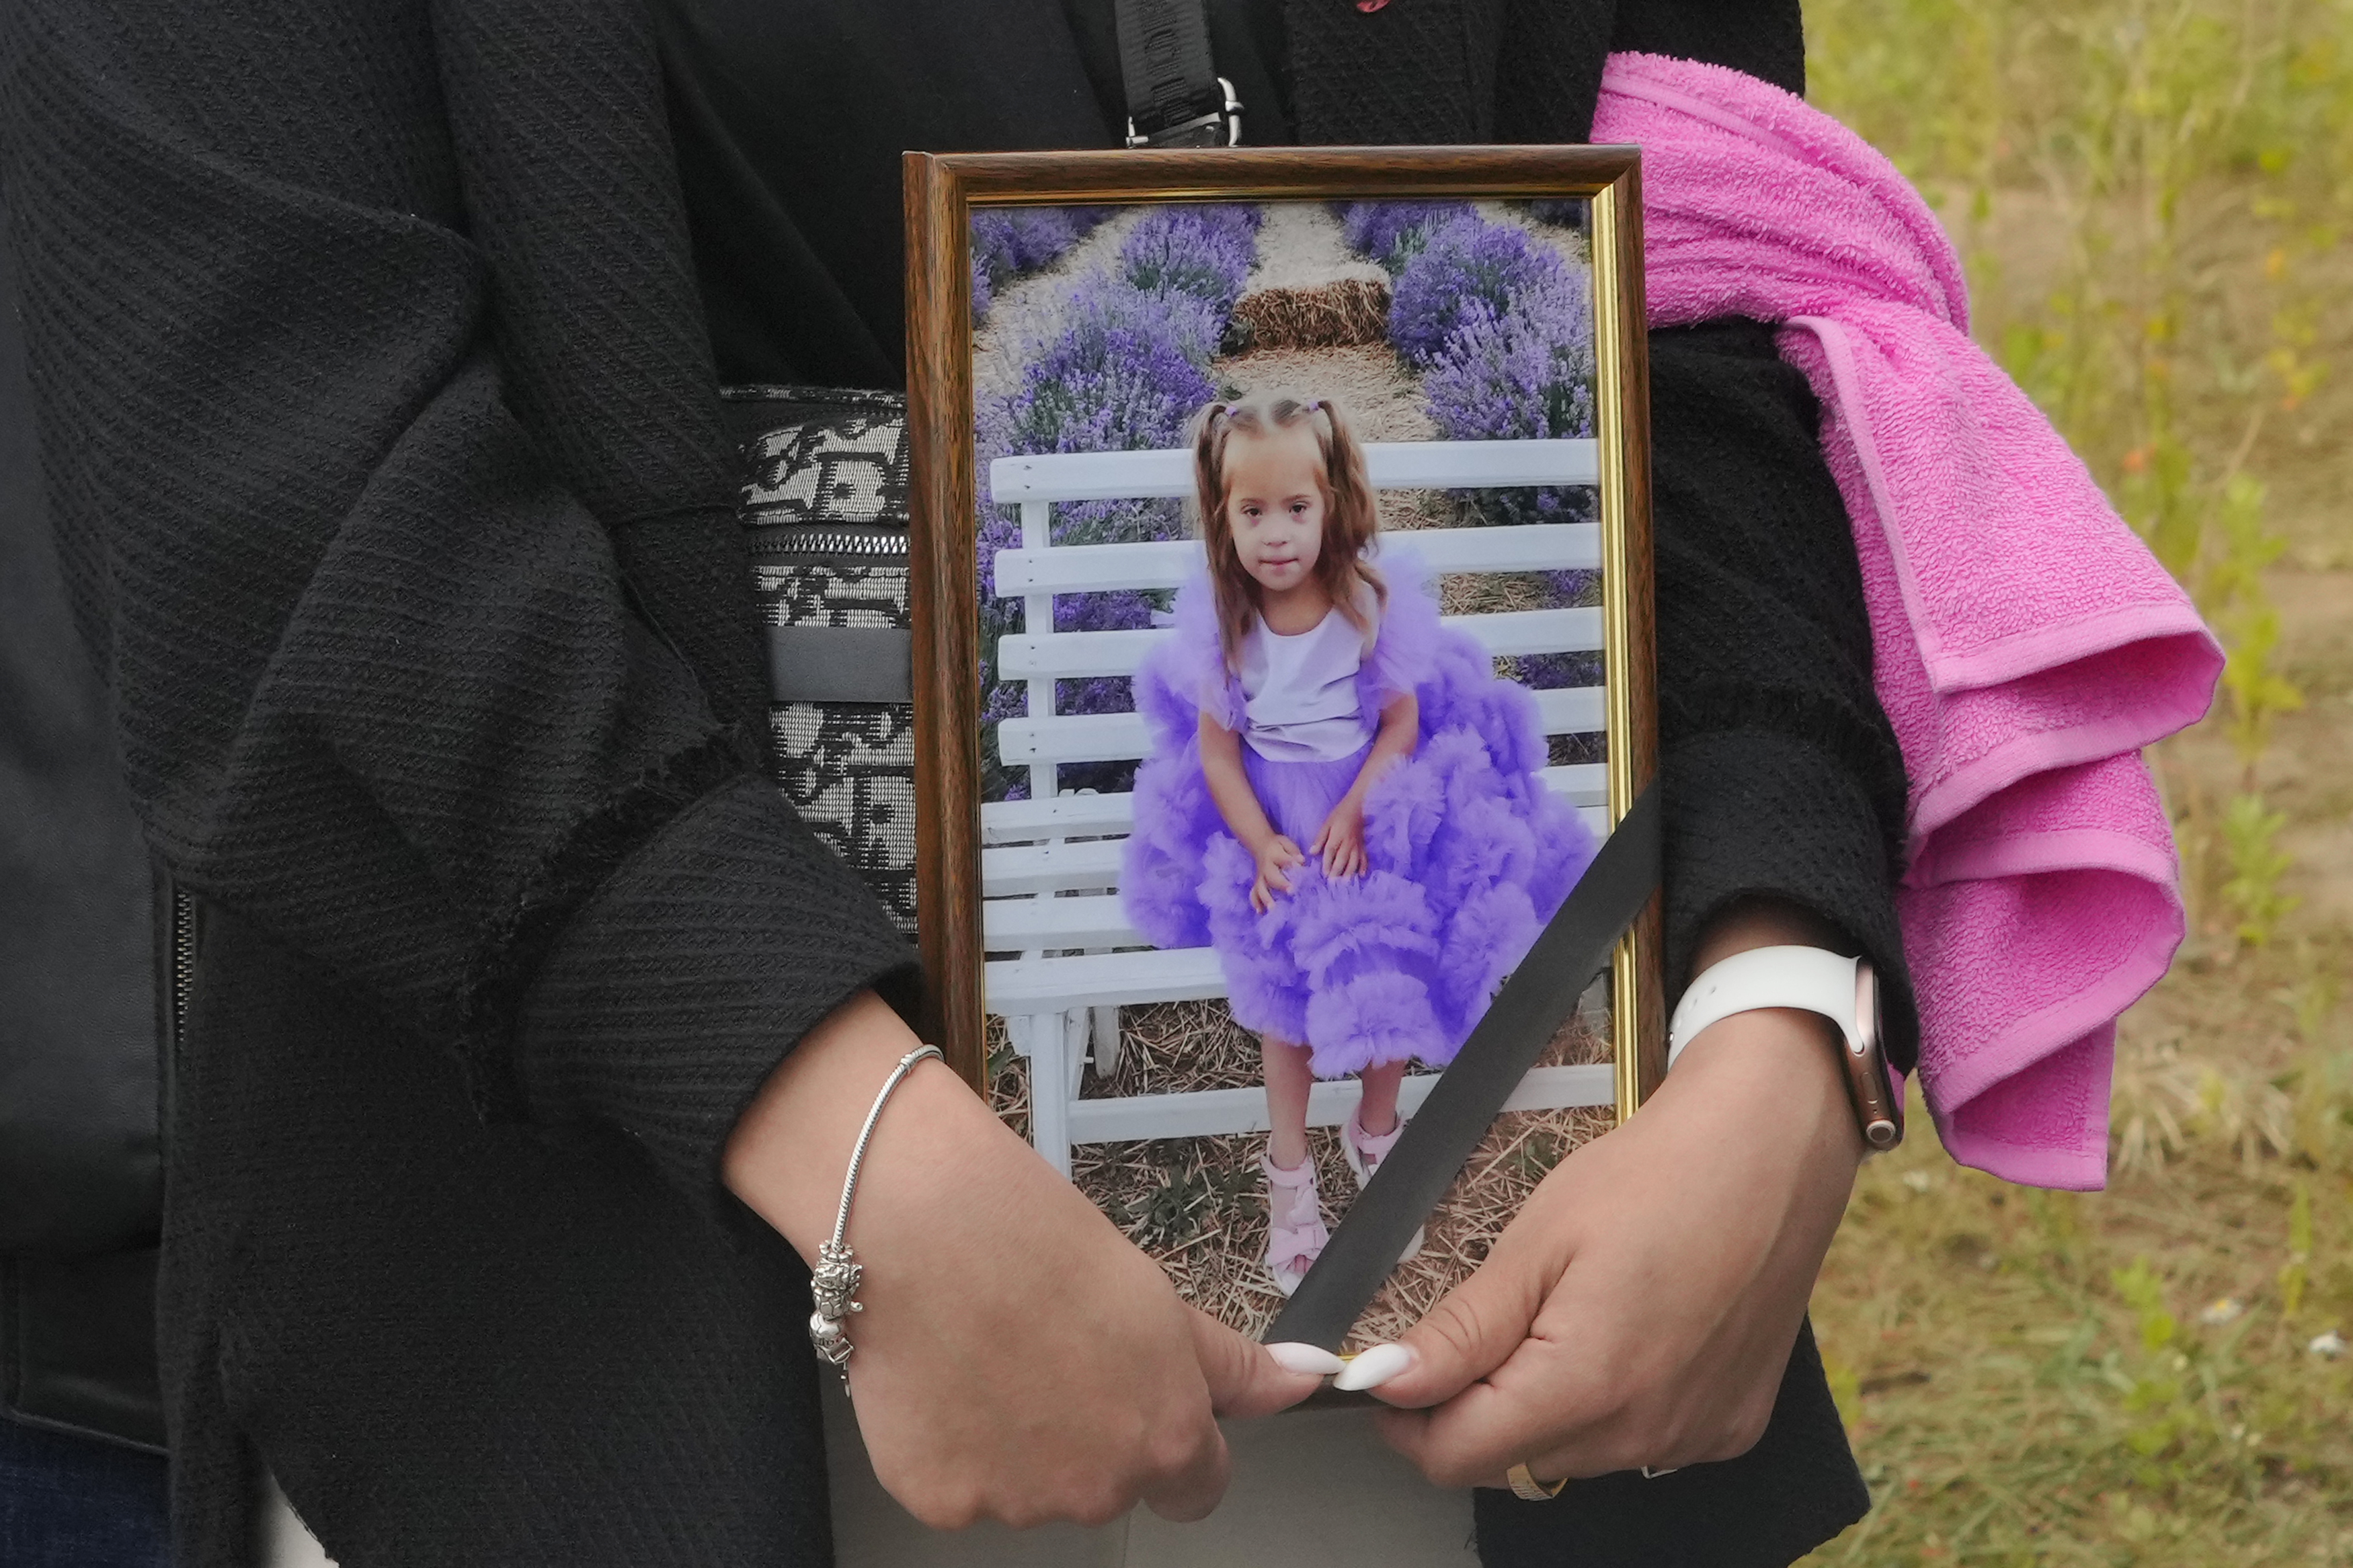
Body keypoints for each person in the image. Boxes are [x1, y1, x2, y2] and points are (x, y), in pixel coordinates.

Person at [0, 3, 1921, 1565]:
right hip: (595, 1301)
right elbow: (270, 491)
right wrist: (853, 1146)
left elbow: (1730, 310)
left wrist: (1782, 1006)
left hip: (1464, 1371)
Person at [1121, 394, 1597, 1293]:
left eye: (1296, 508)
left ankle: (1377, 1132)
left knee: (1390, 971)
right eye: (1251, 511)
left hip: (1363, 812)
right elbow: (1218, 753)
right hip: (1274, 825)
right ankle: (1290, 1175)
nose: (1276, 534)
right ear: (1222, 516)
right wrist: (1261, 841)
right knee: (1284, 1007)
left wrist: (1357, 812)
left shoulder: (1362, 604)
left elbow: (1399, 724)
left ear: (1331, 499)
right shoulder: (1226, 624)